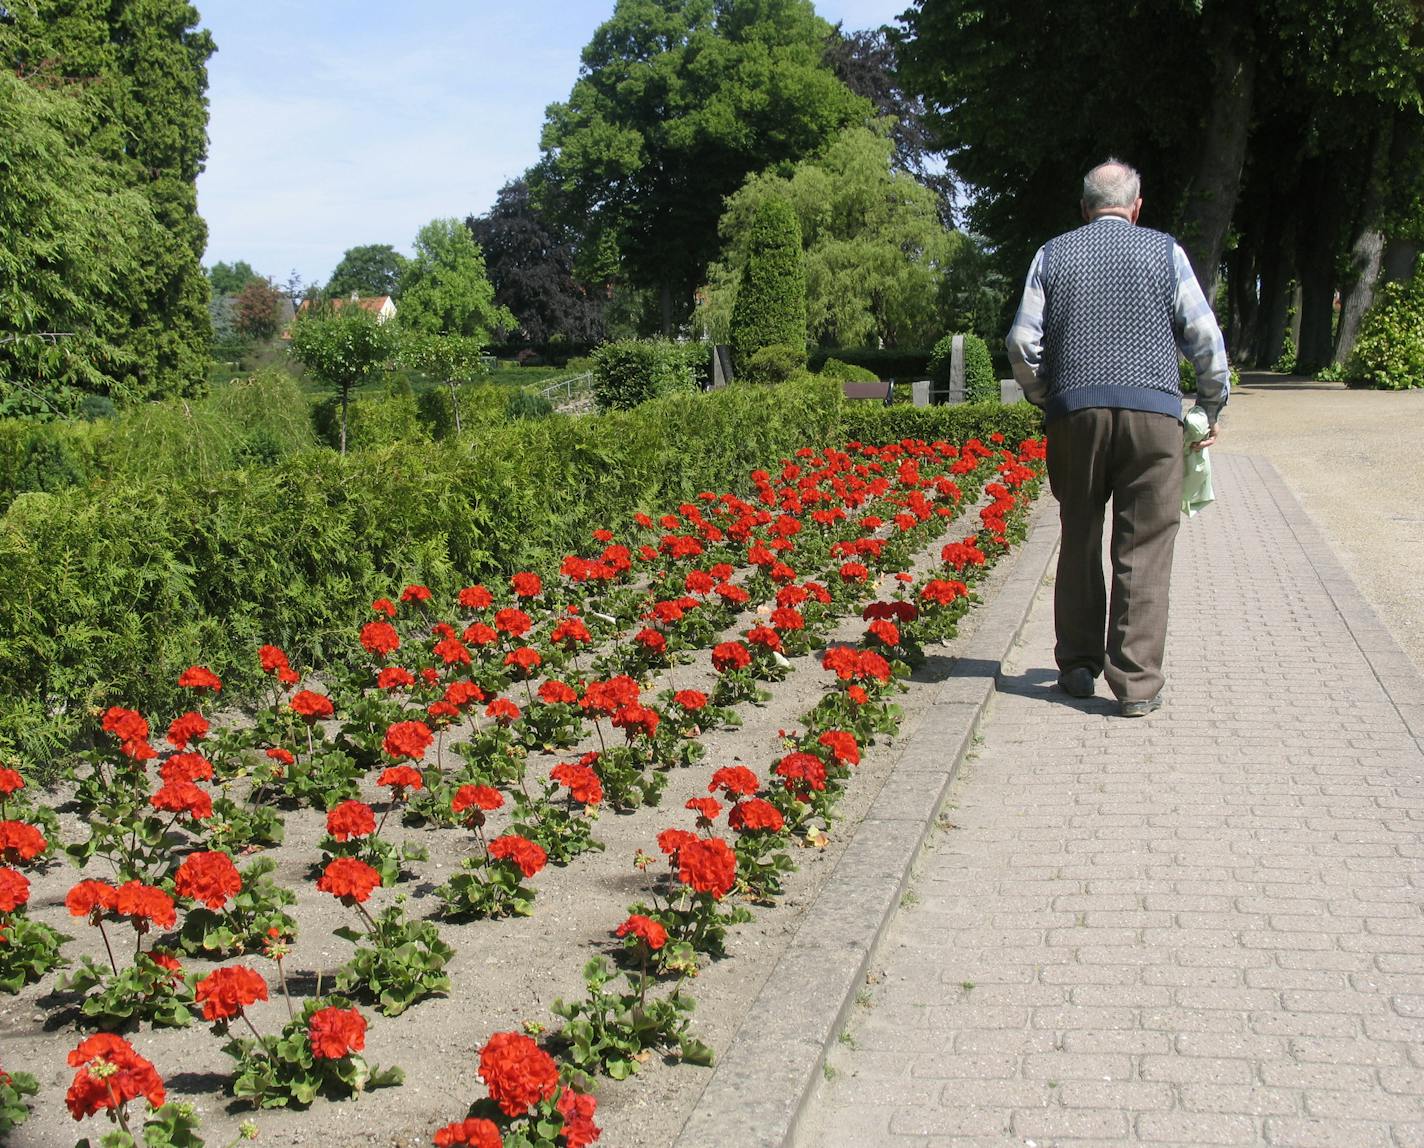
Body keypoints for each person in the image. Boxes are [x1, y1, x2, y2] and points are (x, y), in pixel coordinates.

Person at [1005, 158, 1229, 717]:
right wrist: (1208, 404)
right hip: (1154, 413)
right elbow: (1206, 338)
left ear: (1084, 208)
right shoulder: (1165, 251)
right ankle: (1135, 683)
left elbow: (1021, 343)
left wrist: (1046, 398)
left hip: (1075, 413)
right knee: (1145, 545)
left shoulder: (1052, 254)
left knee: (1079, 533)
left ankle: (1078, 666)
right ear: (1136, 206)